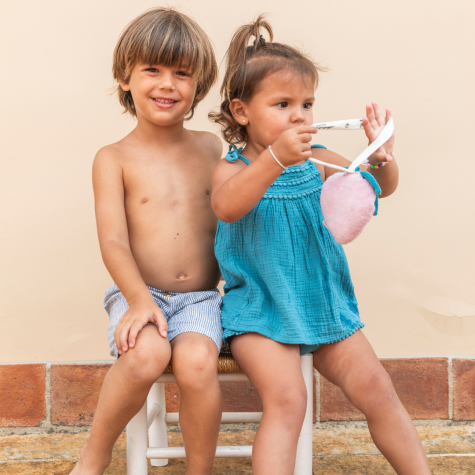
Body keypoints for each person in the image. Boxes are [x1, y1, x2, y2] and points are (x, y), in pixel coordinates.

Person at [210, 16, 432, 475]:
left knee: (380, 390)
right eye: (283, 104)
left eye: (307, 104)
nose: (299, 116)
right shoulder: (233, 167)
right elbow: (228, 207)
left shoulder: (318, 159)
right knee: (289, 400)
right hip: (259, 312)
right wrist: (273, 158)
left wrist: (382, 158)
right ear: (241, 111)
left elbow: (377, 188)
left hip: (322, 302)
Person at [71, 8, 223, 475]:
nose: (167, 84)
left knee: (197, 364)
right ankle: (95, 454)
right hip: (141, 292)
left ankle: (199, 470)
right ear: (125, 78)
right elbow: (113, 239)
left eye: (182, 73)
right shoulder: (113, 158)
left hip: (200, 297)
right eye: (151, 70)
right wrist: (138, 300)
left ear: (198, 86)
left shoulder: (212, 148)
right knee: (148, 355)